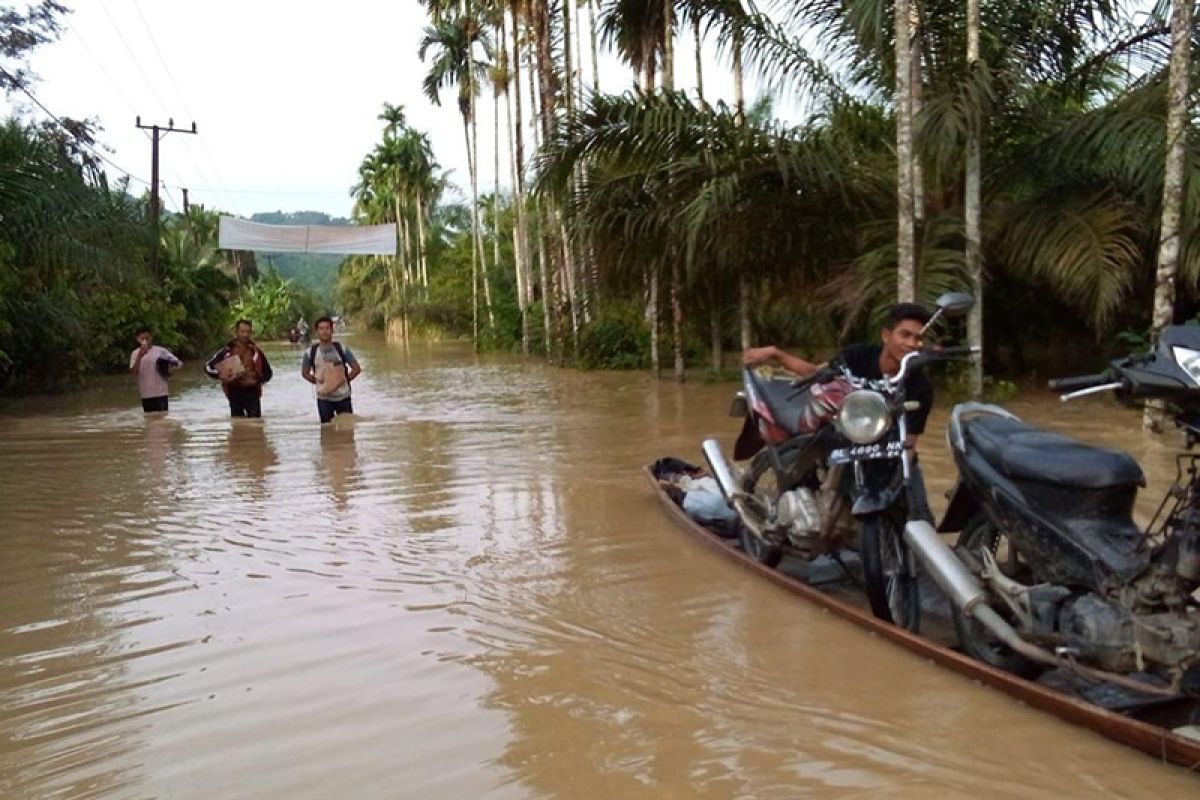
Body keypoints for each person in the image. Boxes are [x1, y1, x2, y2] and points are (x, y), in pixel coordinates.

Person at [743, 302, 935, 521]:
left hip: (888, 450)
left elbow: (909, 443)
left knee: (921, 519)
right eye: (905, 335)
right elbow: (816, 372)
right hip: (846, 435)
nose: (911, 344)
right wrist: (775, 353)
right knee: (820, 444)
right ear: (886, 336)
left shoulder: (920, 387)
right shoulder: (858, 356)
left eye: (918, 338)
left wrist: (901, 481)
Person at [205, 319, 274, 418]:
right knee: (237, 424)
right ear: (236, 332)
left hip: (252, 392)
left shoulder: (256, 352)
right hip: (234, 392)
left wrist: (257, 379)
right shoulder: (226, 351)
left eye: (248, 332)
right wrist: (220, 375)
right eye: (243, 331)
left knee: (255, 426)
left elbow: (268, 373)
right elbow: (208, 366)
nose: (245, 335)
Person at [301, 316, 362, 424]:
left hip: (343, 397)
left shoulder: (342, 349)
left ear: (332, 330)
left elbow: (357, 369)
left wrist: (343, 380)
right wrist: (319, 383)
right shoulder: (310, 352)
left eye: (327, 328)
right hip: (323, 399)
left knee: (347, 432)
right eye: (321, 328)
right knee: (326, 432)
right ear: (317, 331)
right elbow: (304, 373)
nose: (324, 331)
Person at [129, 327, 182, 413]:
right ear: (137, 340)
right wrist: (140, 355)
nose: (145, 341)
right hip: (146, 394)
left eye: (147, 338)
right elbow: (134, 372)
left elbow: (178, 363)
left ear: (151, 337)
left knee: (163, 419)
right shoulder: (135, 353)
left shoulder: (160, 351)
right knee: (149, 421)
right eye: (142, 339)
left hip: (161, 393)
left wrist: (171, 367)